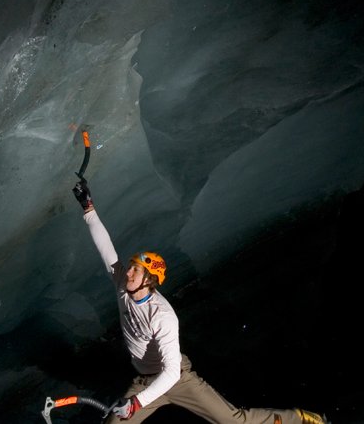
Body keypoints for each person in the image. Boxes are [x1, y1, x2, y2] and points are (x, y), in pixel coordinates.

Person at [72, 179, 329, 424]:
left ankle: (299, 418)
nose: (128, 272)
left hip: (178, 379)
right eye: (130, 267)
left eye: (135, 270)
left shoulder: (162, 315)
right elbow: (106, 249)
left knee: (232, 421)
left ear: (149, 280)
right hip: (145, 381)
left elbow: (171, 372)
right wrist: (88, 208)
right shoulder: (122, 286)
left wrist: (137, 403)